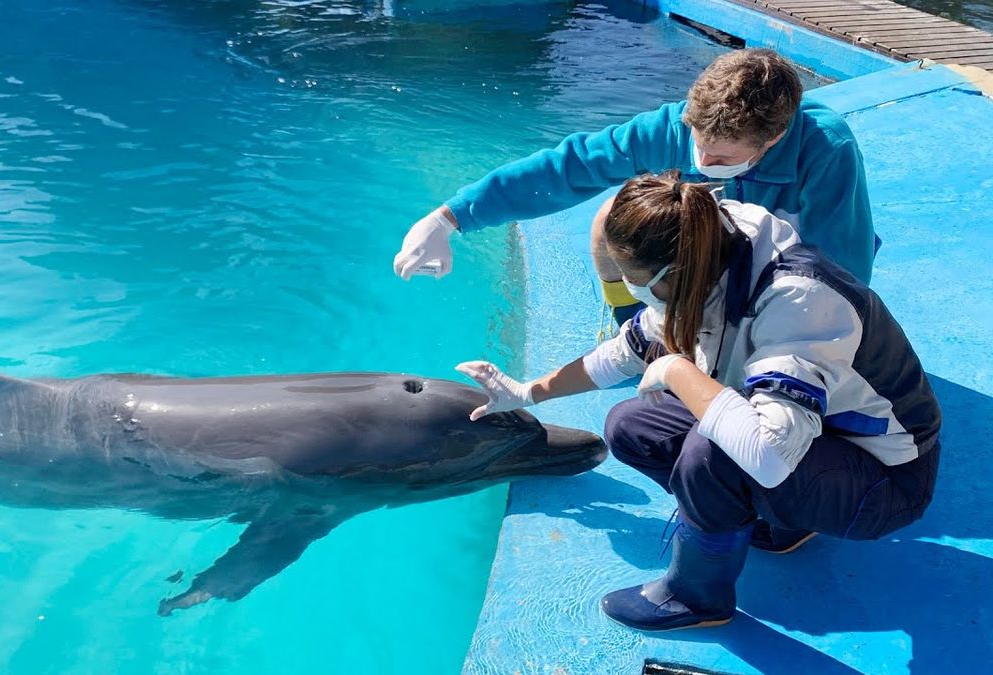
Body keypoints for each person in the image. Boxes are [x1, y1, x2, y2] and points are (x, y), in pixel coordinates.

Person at [454, 172, 940, 632]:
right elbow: (623, 354)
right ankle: (783, 522)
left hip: (886, 479)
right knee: (633, 426)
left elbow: (769, 455)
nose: (631, 291)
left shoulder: (797, 303)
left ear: (669, 273)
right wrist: (527, 392)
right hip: (817, 434)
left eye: (630, 278)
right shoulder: (704, 244)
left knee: (713, 455)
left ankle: (696, 596)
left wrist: (675, 369)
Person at [395, 49, 874, 325]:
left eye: (722, 159)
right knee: (609, 222)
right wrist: (451, 217)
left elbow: (843, 267)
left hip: (787, 261)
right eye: (697, 144)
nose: (701, 163)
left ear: (772, 138)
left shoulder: (827, 150)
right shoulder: (670, 129)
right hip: (718, 241)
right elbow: (568, 168)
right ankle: (630, 325)